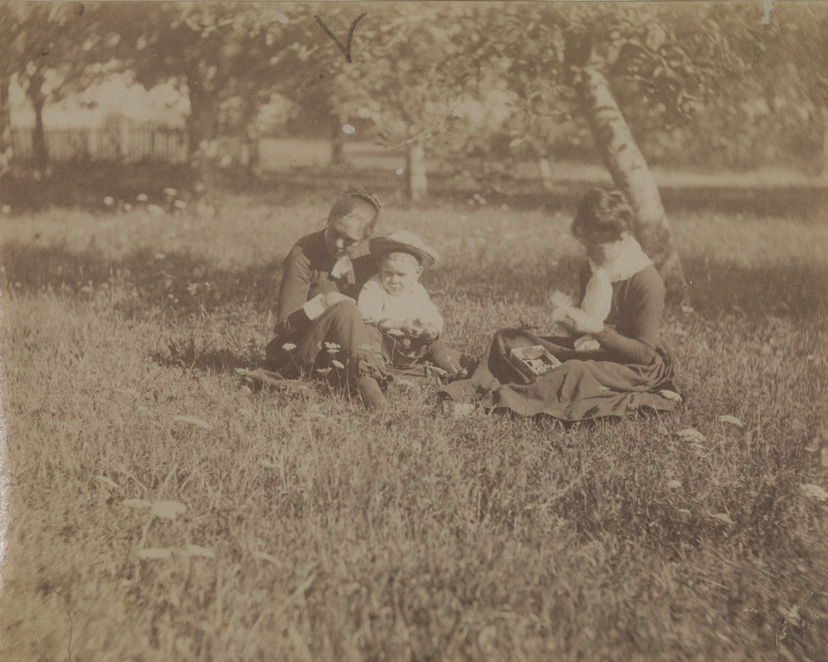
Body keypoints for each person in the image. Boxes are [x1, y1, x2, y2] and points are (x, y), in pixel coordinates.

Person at [439, 188, 680, 421]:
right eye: (586, 246)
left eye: (597, 247)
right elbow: (582, 339)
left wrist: (597, 330)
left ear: (623, 236)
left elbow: (644, 355)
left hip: (631, 367)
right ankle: (471, 390)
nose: (590, 254)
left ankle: (488, 405)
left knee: (573, 371)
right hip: (594, 352)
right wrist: (569, 318)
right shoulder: (593, 268)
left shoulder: (646, 280)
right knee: (508, 339)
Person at [264, 187, 387, 408]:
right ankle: (374, 397)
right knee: (345, 309)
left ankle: (366, 381)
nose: (339, 244)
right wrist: (323, 303)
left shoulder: (369, 258)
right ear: (328, 220)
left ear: (366, 236)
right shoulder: (304, 252)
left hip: (351, 349)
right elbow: (285, 325)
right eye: (335, 232)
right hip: (306, 350)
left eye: (349, 240)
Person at [358, 230, 465, 378]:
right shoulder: (374, 286)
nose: (394, 280)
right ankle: (377, 369)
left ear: (417, 273)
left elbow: (431, 313)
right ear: (380, 266)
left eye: (401, 275)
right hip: (385, 346)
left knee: (435, 345)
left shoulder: (416, 290)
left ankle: (456, 372)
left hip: (411, 347)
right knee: (370, 332)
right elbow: (365, 313)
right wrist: (398, 325)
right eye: (388, 273)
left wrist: (431, 329)